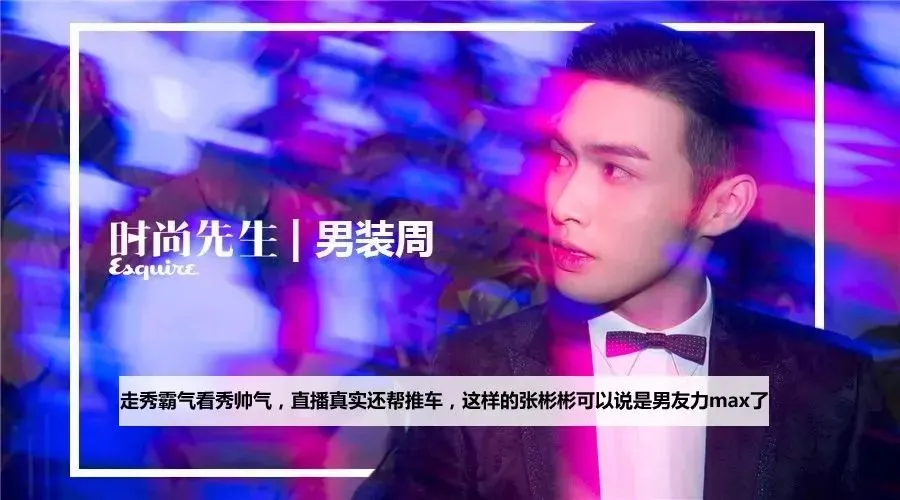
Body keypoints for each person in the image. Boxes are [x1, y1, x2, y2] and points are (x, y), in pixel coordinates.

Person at [353, 22, 891, 500]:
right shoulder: (474, 369)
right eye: (563, 158)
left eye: (616, 171)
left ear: (722, 206)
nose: (563, 203)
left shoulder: (830, 386)